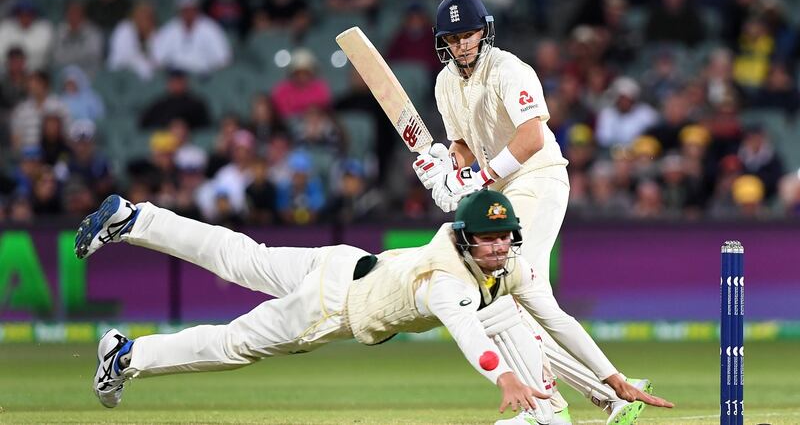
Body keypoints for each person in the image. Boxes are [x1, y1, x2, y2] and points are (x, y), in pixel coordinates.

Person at [75, 189, 673, 419]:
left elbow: (556, 319)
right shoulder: (449, 278)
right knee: (234, 345)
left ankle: (138, 218)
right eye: (486, 238)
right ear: (466, 239)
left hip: (342, 262)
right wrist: (505, 378)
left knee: (243, 256)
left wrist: (611, 377)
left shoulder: (506, 263)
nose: (496, 248)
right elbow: (470, 333)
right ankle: (126, 356)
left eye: (503, 237)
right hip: (332, 306)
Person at [412, 0, 668, 425]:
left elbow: (531, 136)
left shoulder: (509, 69)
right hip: (499, 189)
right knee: (505, 300)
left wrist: (481, 178)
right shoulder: (444, 84)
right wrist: (447, 175)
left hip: (539, 177)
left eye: (469, 34)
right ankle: (609, 393)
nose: (463, 45)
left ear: (485, 31)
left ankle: (548, 408)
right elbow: (462, 145)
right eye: (453, 38)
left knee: (510, 289)